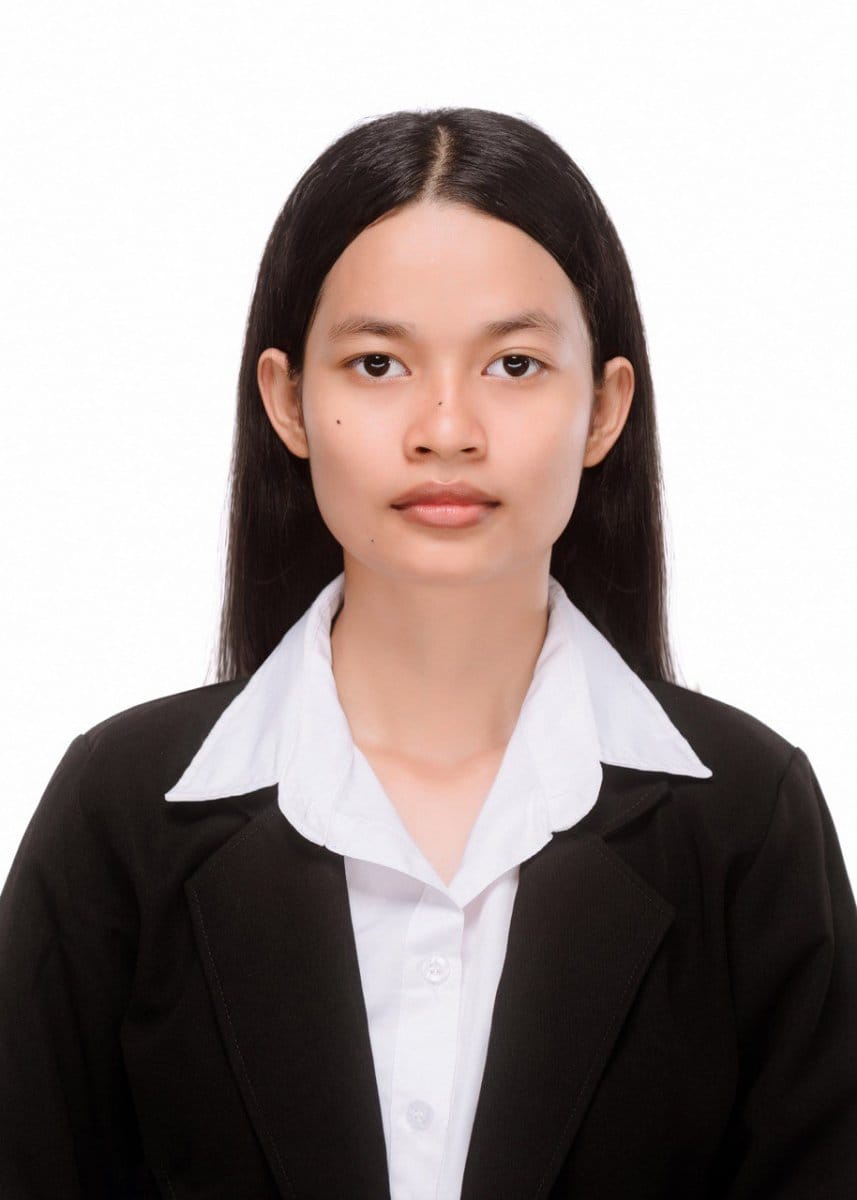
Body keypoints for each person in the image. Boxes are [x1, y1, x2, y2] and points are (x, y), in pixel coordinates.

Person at [1, 106, 855, 1200]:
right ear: (286, 400)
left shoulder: (747, 819)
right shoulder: (122, 811)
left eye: (512, 364)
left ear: (603, 409)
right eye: (376, 363)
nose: (445, 429)